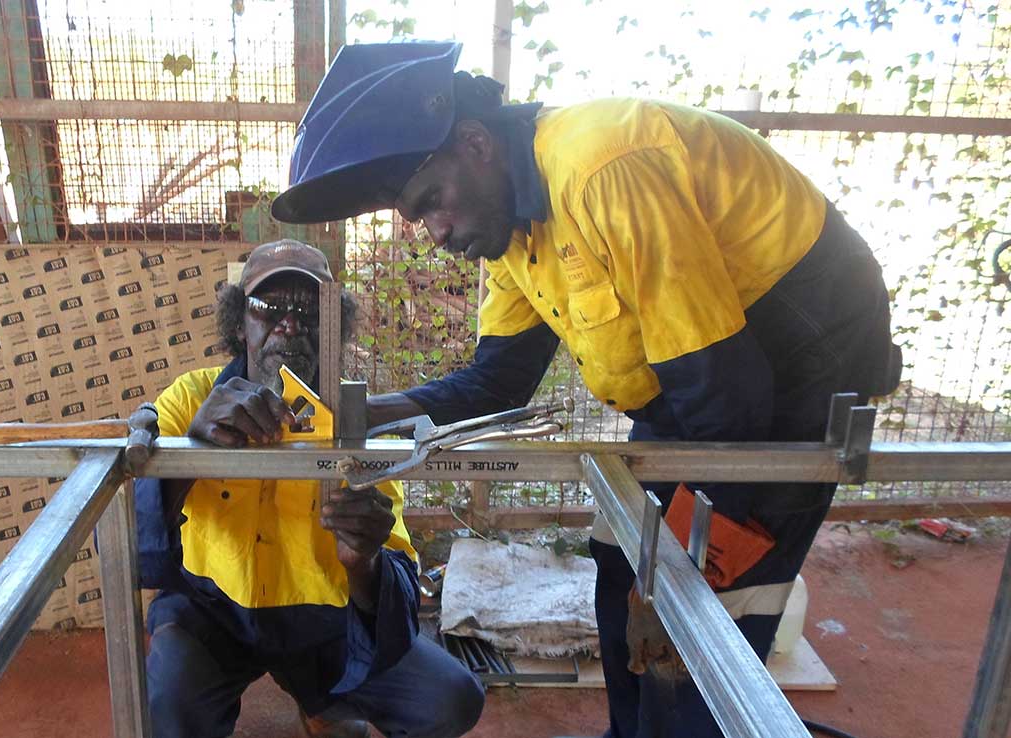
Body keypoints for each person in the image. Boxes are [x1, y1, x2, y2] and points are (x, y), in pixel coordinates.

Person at [271, 42, 902, 738]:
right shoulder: (512, 226)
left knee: (701, 623)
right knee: (619, 557)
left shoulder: (601, 166)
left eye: (431, 203)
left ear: (476, 144)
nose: (436, 231)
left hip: (794, 371)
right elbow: (497, 380)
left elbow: (731, 400)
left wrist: (688, 569)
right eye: (418, 219)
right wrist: (360, 417)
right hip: (702, 382)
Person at [134, 239, 485, 738]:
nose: (290, 323)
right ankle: (296, 698)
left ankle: (323, 701)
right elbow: (126, 539)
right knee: (169, 703)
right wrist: (193, 447)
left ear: (333, 327)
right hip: (213, 611)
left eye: (310, 310)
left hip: (322, 622)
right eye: (267, 307)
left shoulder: (359, 421)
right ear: (239, 325)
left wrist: (363, 561)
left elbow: (398, 572)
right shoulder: (191, 398)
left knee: (449, 699)